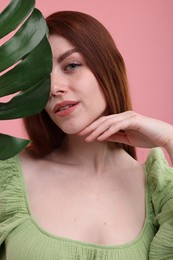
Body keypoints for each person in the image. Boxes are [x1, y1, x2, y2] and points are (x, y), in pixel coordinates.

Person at [0, 10, 173, 260]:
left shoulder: (160, 190)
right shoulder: (7, 178)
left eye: (71, 66)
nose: (55, 88)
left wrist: (169, 138)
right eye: (41, 79)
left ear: (108, 68)